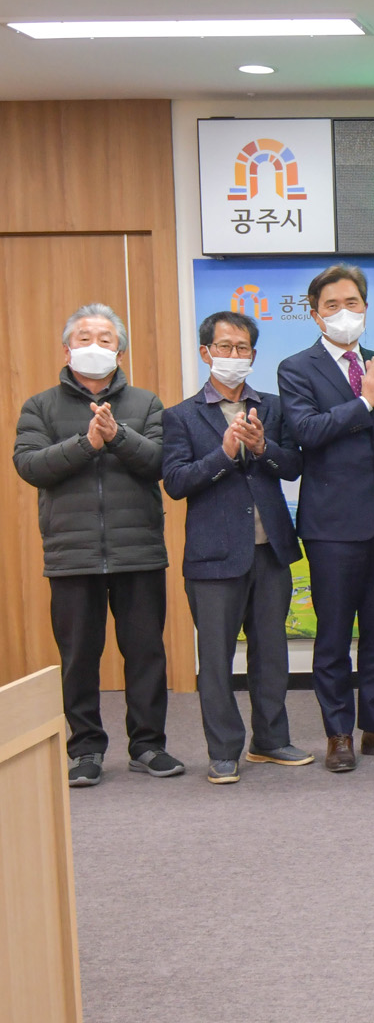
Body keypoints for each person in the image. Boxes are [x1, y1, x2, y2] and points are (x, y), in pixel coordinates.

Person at [14, 304, 182, 787]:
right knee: (78, 658)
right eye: (84, 338)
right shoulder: (40, 406)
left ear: (119, 352)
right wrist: (87, 443)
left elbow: (160, 463)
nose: (94, 346)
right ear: (67, 350)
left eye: (105, 339)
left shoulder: (146, 403)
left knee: (146, 653)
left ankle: (148, 746)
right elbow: (30, 465)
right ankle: (85, 749)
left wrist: (117, 435)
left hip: (138, 551)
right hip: (72, 555)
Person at [277, 264, 374, 772]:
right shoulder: (297, 368)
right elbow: (307, 431)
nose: (345, 313)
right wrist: (366, 401)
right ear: (316, 314)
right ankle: (338, 733)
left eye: (353, 303)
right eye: (333, 305)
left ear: (366, 307)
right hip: (333, 526)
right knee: (335, 636)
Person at [162, 311, 309, 784]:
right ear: (205, 352)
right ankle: (223, 750)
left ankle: (270, 740)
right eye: (224, 347)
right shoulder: (181, 415)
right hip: (213, 557)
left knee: (271, 654)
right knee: (216, 659)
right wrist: (224, 454)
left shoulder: (273, 407)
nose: (233, 355)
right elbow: (177, 482)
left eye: (242, 347)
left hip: (271, 551)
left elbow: (293, 466)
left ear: (253, 355)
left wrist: (263, 448)